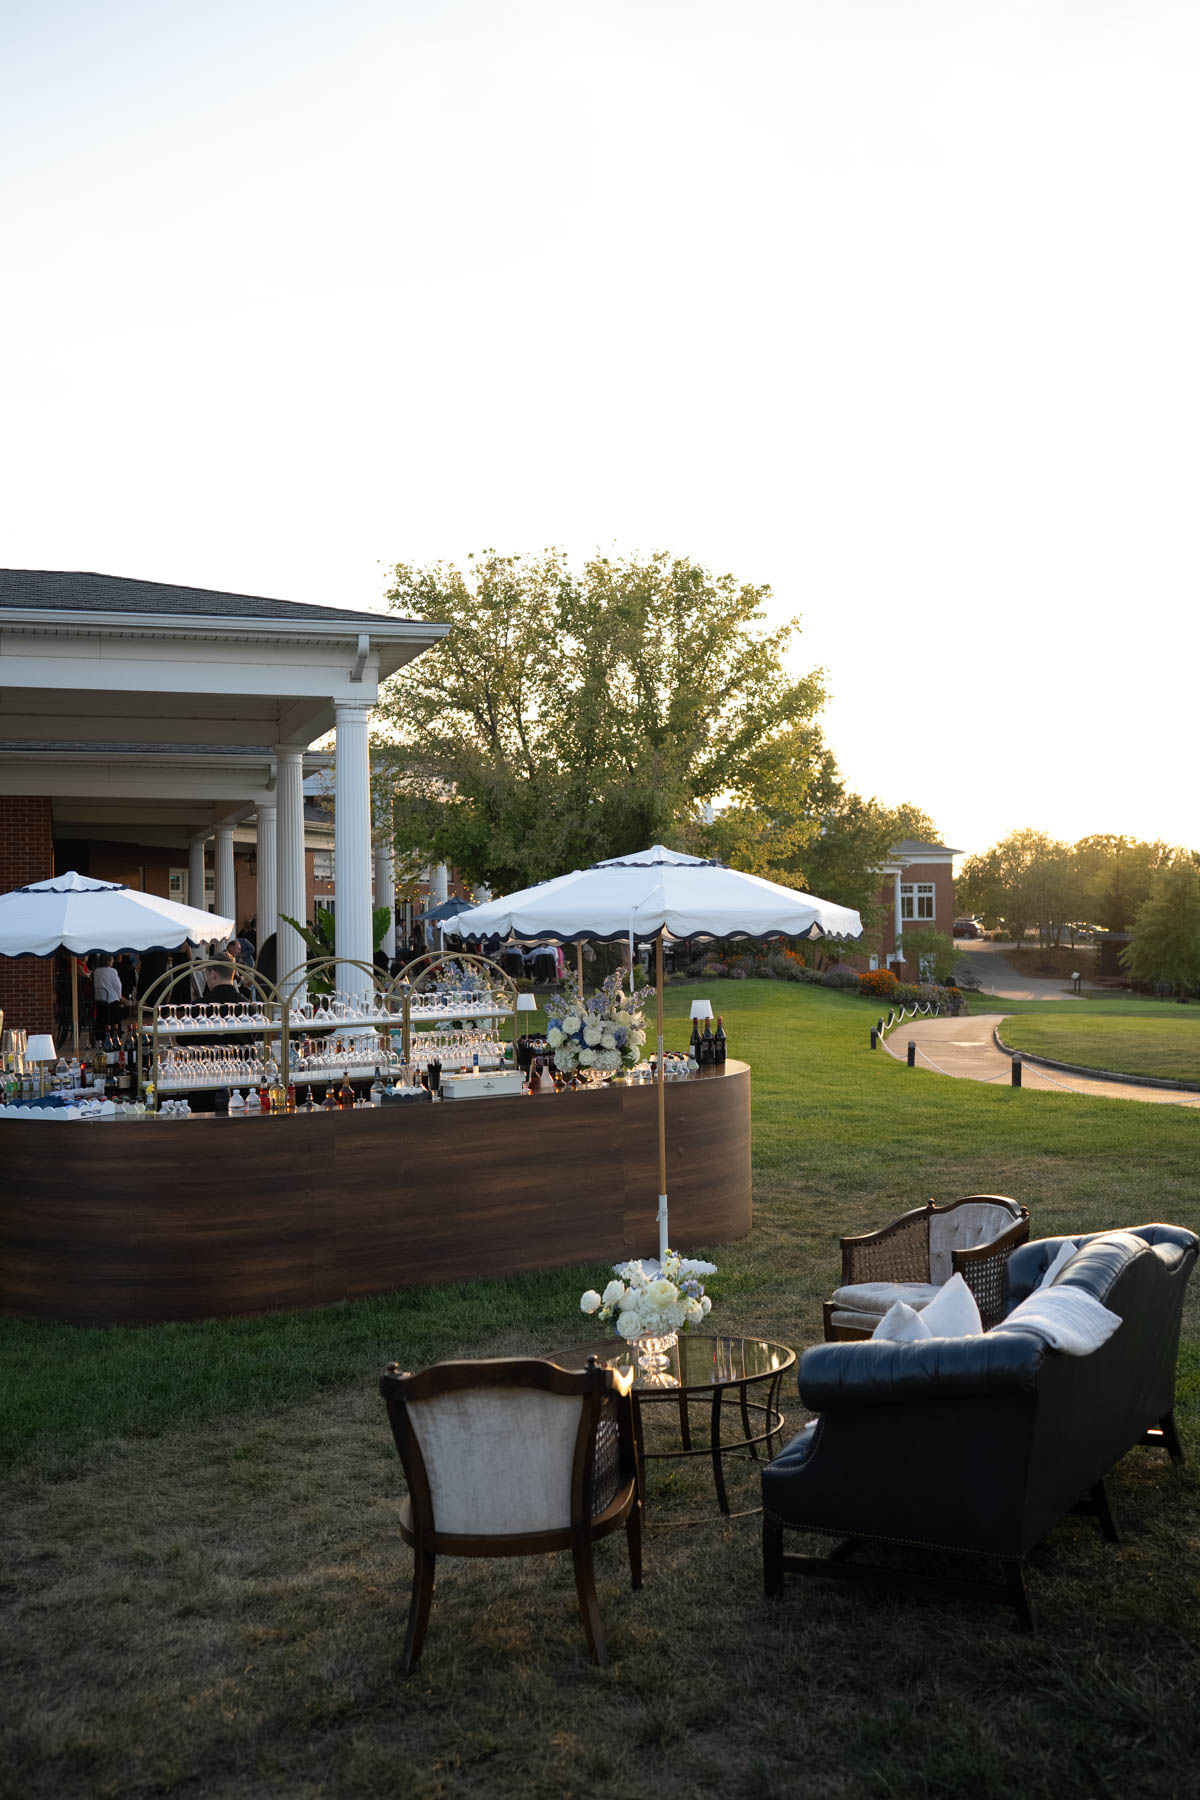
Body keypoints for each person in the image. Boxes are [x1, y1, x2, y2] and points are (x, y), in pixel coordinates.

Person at [92, 954, 123, 1034]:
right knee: (116, 1006)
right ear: (109, 961)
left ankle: (100, 1033)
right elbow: (118, 986)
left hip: (99, 998)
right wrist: (119, 997)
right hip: (111, 1000)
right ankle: (116, 1032)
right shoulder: (112, 971)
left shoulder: (96, 971)